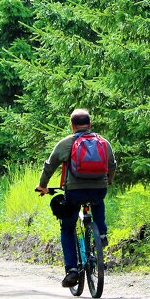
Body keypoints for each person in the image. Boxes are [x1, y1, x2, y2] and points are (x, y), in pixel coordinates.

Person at [35, 108, 116, 288]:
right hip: (99, 189)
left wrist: (42, 185)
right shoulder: (103, 142)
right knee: (97, 200)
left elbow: (50, 166)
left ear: (72, 126)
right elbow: (112, 165)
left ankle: (72, 270)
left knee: (67, 228)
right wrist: (108, 181)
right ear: (90, 125)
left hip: (74, 191)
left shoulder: (66, 143)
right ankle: (101, 233)